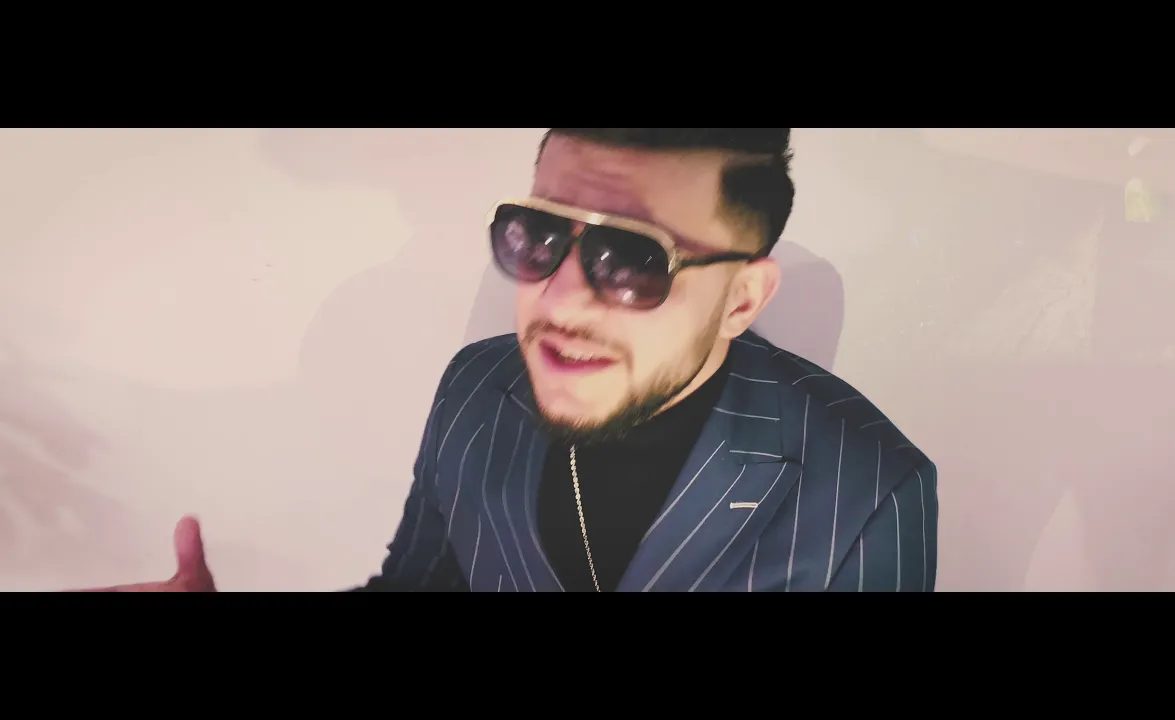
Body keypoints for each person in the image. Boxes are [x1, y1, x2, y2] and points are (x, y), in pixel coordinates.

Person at [78, 128, 939, 592]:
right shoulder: (476, 388)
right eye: (537, 235)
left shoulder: (870, 489)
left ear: (743, 299)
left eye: (633, 259)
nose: (558, 300)